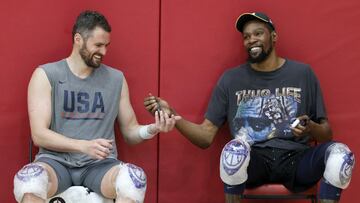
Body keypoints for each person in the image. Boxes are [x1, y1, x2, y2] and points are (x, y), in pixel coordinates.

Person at [144, 12, 355, 203]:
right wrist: (172, 115)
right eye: (246, 36)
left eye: (258, 33)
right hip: (255, 159)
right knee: (233, 151)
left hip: (297, 160)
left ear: (273, 37)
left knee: (341, 155)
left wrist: (311, 129)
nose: (251, 39)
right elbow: (205, 136)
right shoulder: (231, 79)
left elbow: (327, 133)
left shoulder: (303, 74)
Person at [13, 10, 180, 203]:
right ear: (78, 39)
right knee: (30, 180)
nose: (104, 52)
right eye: (98, 45)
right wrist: (83, 146)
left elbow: (130, 132)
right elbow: (39, 135)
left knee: (133, 179)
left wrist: (153, 129)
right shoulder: (46, 74)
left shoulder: (116, 79)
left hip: (99, 166)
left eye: (107, 46)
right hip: (56, 162)